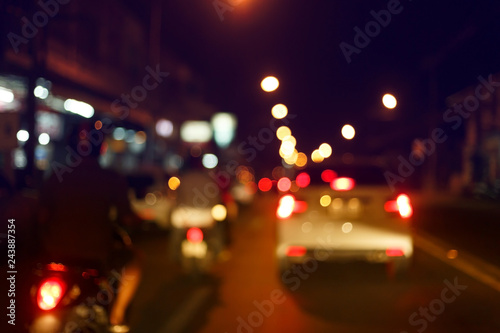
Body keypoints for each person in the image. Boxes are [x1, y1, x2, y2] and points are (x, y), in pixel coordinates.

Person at [37, 123, 142, 331]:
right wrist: (138, 220)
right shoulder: (112, 179)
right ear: (101, 149)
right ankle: (117, 316)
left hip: (53, 254)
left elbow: (41, 216)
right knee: (134, 262)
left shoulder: (55, 177)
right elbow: (126, 216)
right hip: (96, 255)